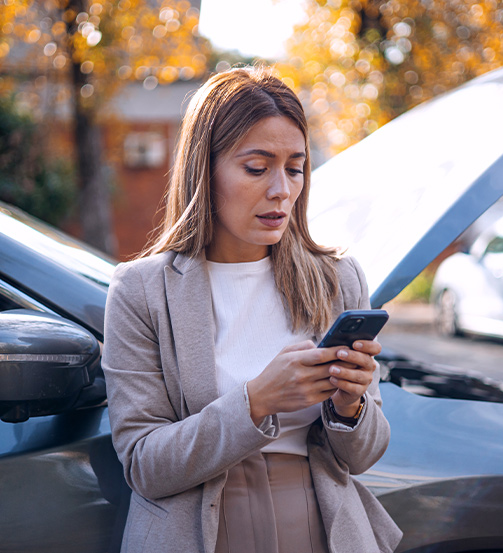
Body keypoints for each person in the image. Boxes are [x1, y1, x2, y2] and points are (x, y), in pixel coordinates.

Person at [102, 66, 402, 553]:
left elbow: (364, 454)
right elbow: (144, 464)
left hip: (322, 529)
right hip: (196, 532)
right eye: (257, 168)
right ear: (206, 169)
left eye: (296, 167)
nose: (281, 190)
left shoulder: (337, 279)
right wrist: (256, 400)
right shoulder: (142, 291)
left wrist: (351, 406)